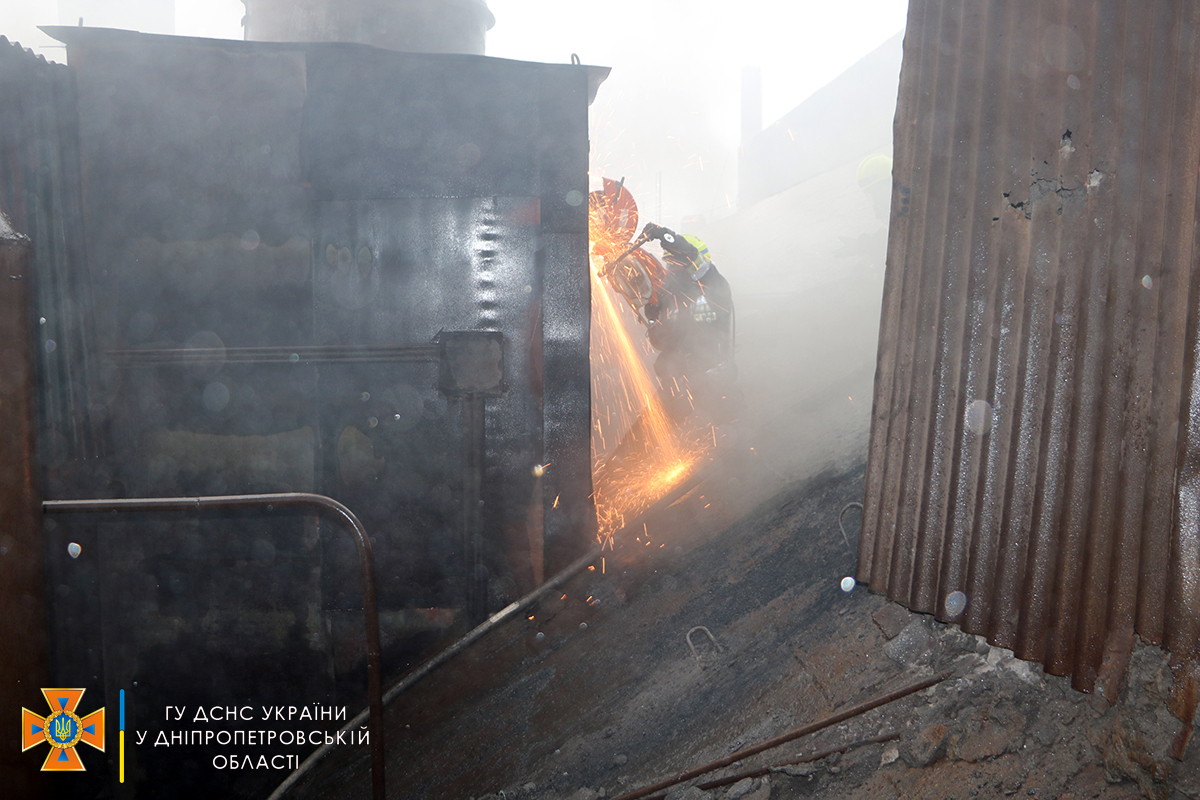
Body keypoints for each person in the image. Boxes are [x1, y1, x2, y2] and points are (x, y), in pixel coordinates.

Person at [638, 223, 739, 423]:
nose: (672, 271)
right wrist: (653, 318)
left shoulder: (713, 283)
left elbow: (694, 260)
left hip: (714, 378)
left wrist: (665, 235)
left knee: (728, 433)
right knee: (653, 428)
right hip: (680, 380)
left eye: (676, 264)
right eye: (669, 265)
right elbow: (663, 343)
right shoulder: (669, 296)